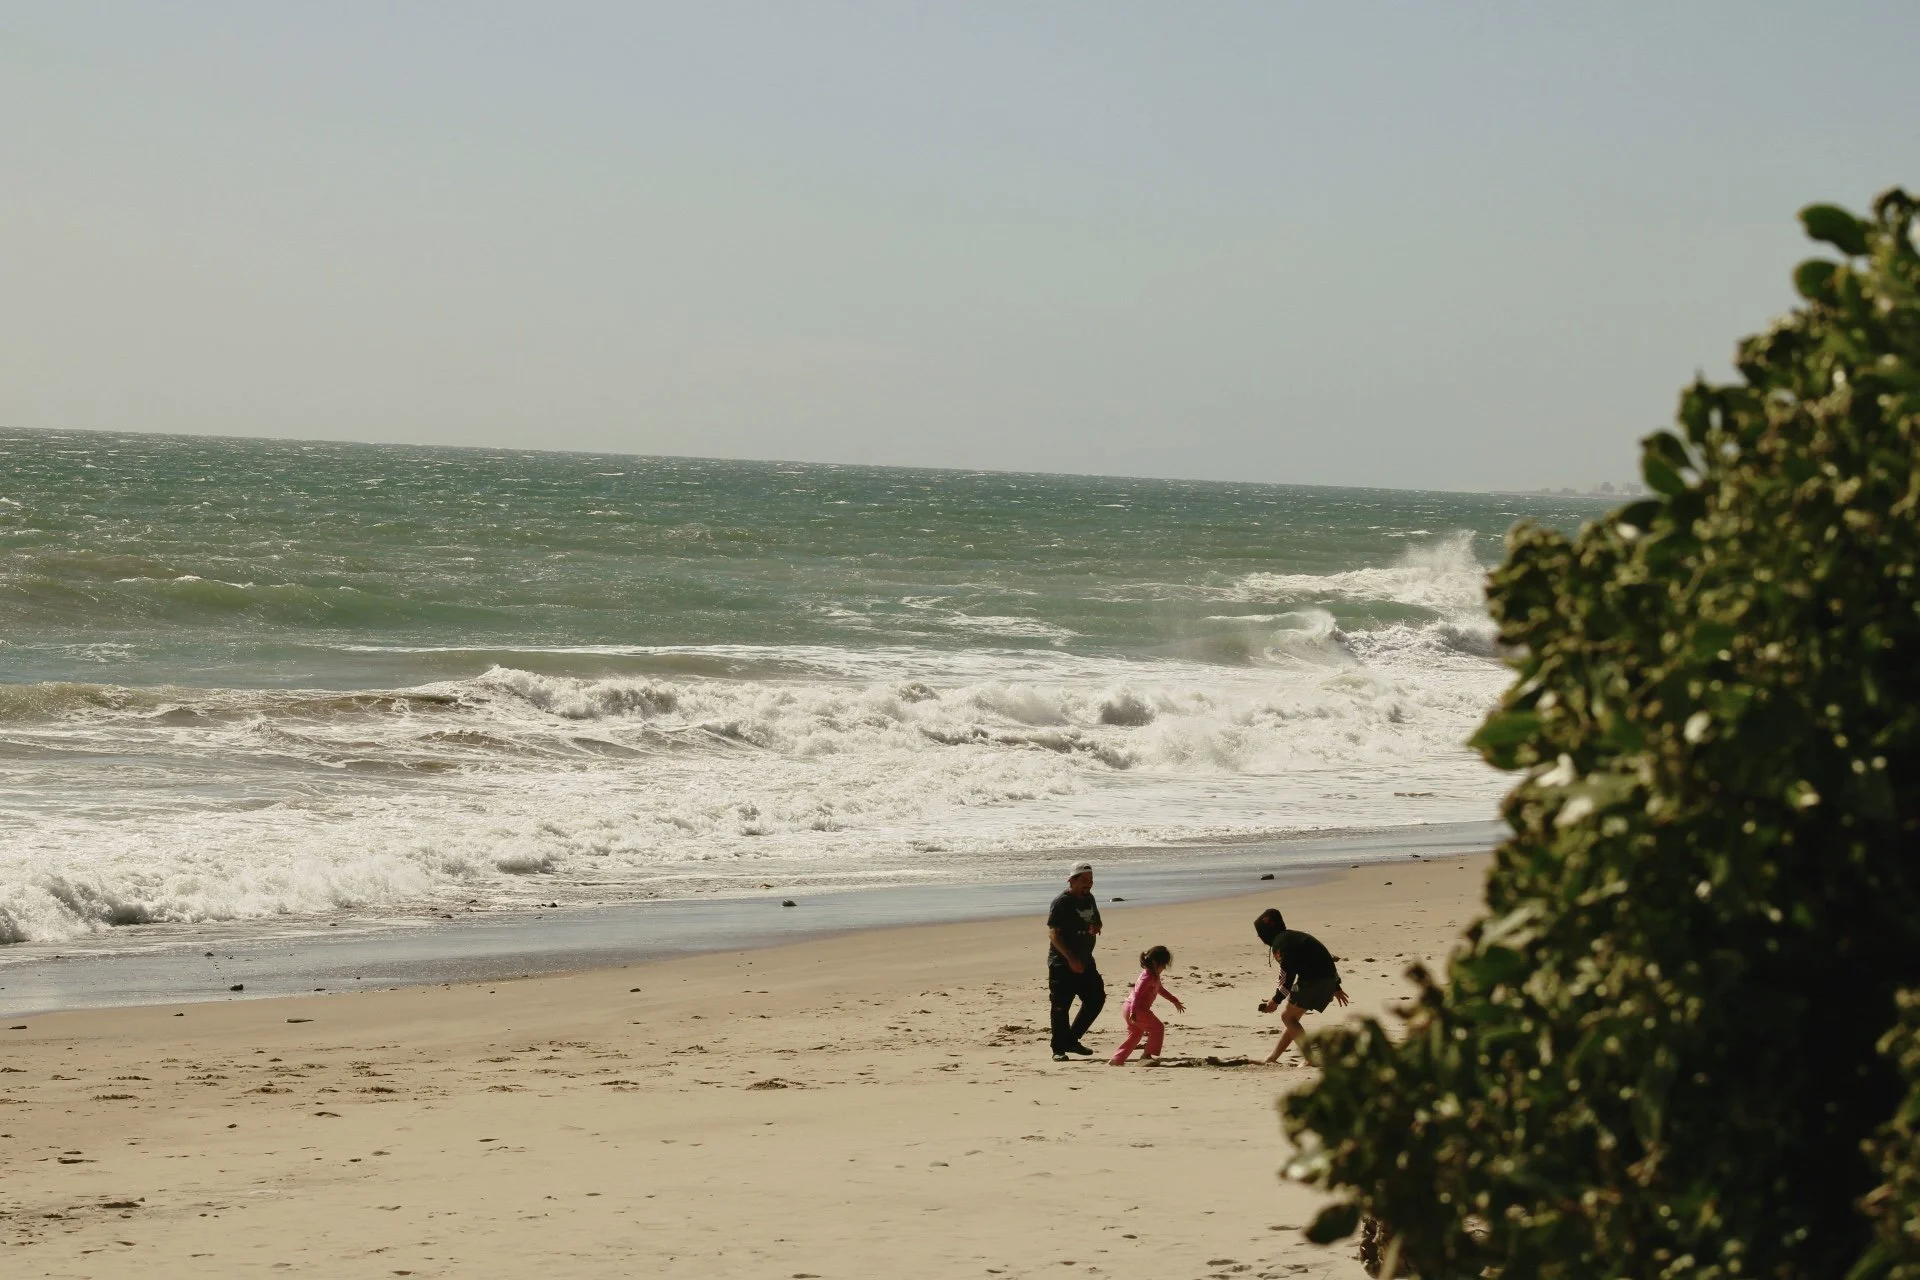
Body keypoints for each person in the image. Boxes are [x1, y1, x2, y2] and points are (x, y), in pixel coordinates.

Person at [1253, 907, 1349, 1063]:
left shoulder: (1280, 944)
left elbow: (1287, 976)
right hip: (1329, 980)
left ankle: (1310, 1058)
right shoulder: (1294, 937)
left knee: (1287, 1016)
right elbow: (1324, 958)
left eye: (1260, 934)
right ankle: (1272, 1057)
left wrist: (1275, 1001)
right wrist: (1336, 986)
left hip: (1314, 982)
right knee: (1293, 1019)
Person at [1046, 861, 1105, 1061]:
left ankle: (1071, 1040)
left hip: (1086, 960)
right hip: (1062, 963)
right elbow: (1054, 934)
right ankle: (1058, 1049)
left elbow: (1095, 920)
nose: (1088, 884)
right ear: (1072, 880)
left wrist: (1096, 926)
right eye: (1084, 880)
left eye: (1091, 880)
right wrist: (1071, 959)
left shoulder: (1089, 899)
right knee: (1061, 1006)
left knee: (1096, 999)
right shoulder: (1062, 902)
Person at [1110, 944, 1185, 1065]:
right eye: (1163, 965)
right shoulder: (1147, 976)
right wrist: (1134, 1012)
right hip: (1136, 1008)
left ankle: (1117, 1059)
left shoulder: (1154, 976)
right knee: (1158, 1028)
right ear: (1155, 963)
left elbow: (1160, 989)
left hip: (1129, 1008)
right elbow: (1137, 994)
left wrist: (1174, 1000)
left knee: (1135, 1034)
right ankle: (1146, 1056)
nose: (1164, 968)